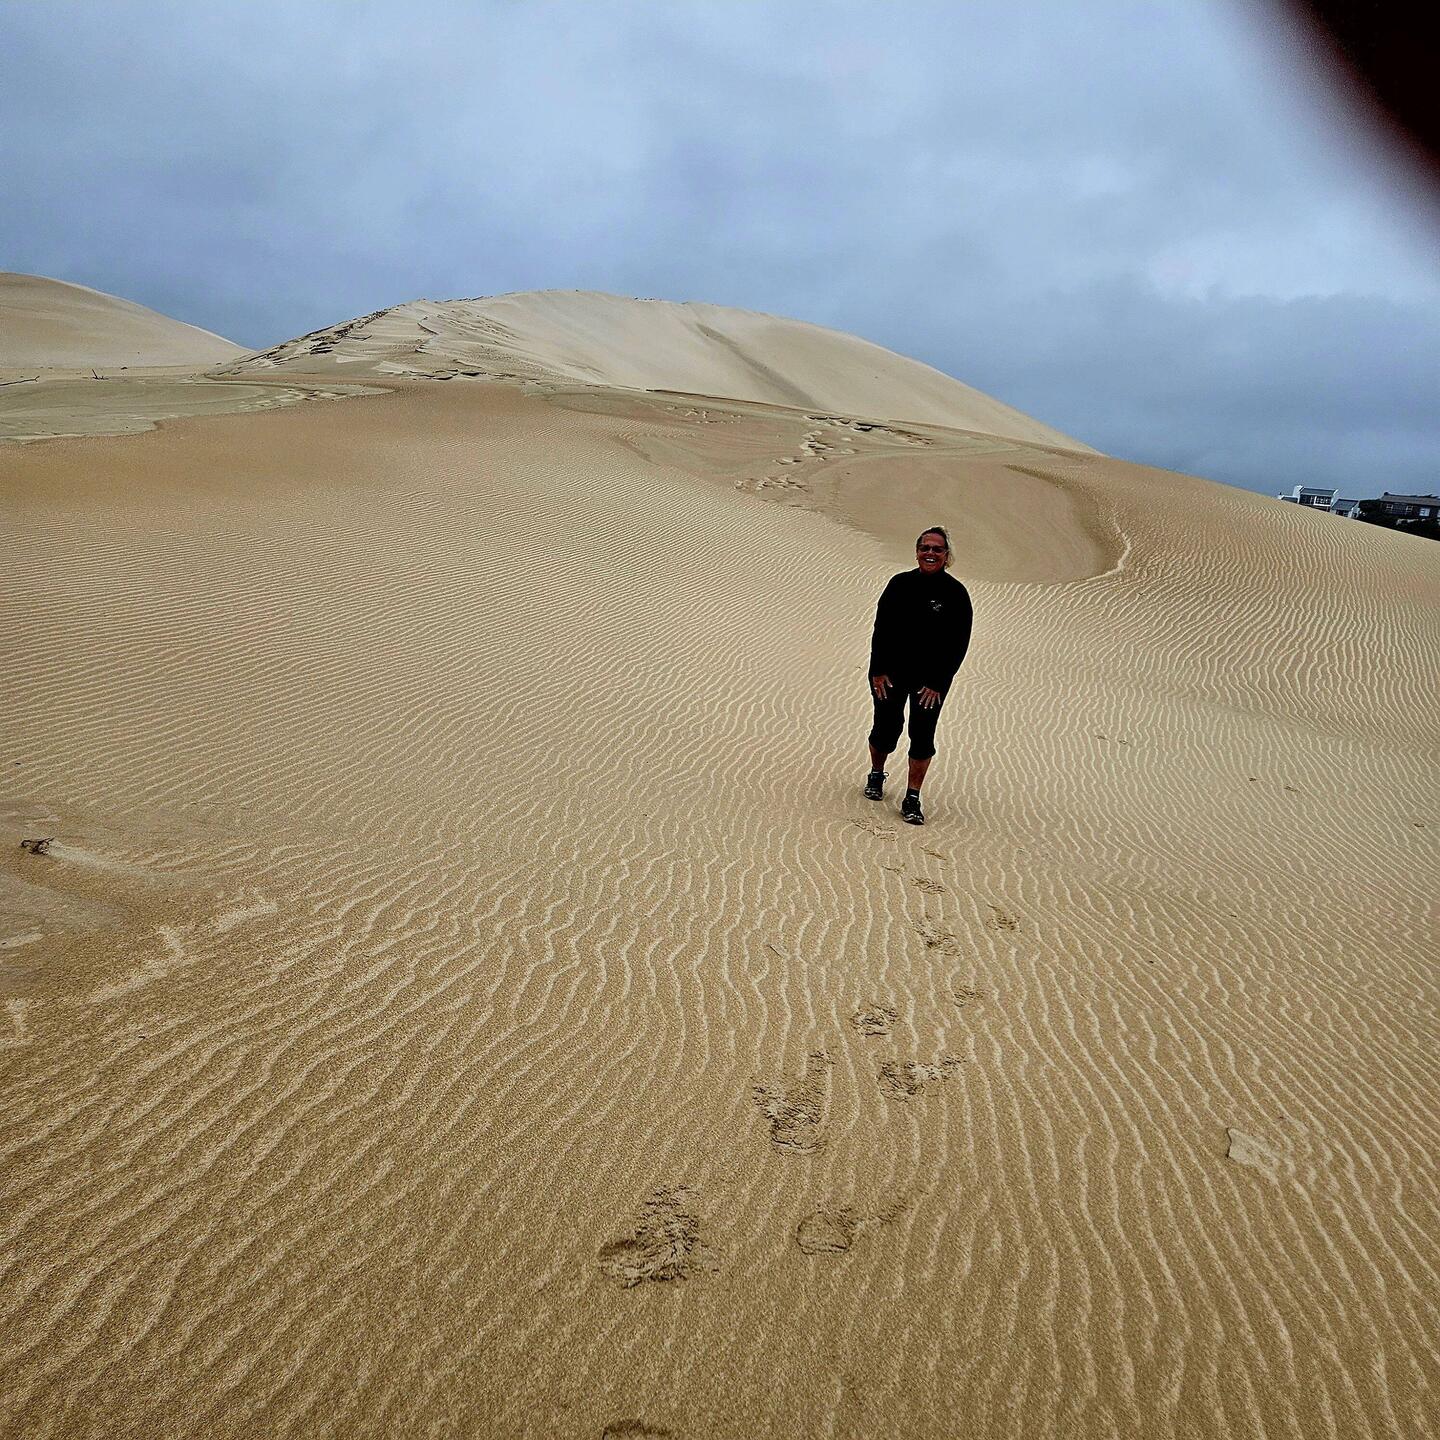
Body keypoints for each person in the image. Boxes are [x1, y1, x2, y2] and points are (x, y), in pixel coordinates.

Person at [864, 527, 974, 825]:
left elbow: (958, 644)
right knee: (886, 729)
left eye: (937, 549)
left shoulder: (956, 594)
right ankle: (876, 774)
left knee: (922, 735)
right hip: (890, 674)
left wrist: (938, 681)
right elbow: (881, 629)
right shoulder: (899, 584)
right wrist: (876, 671)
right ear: (916, 551)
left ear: (946, 556)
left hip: (931, 683)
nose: (930, 553)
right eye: (925, 547)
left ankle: (912, 797)